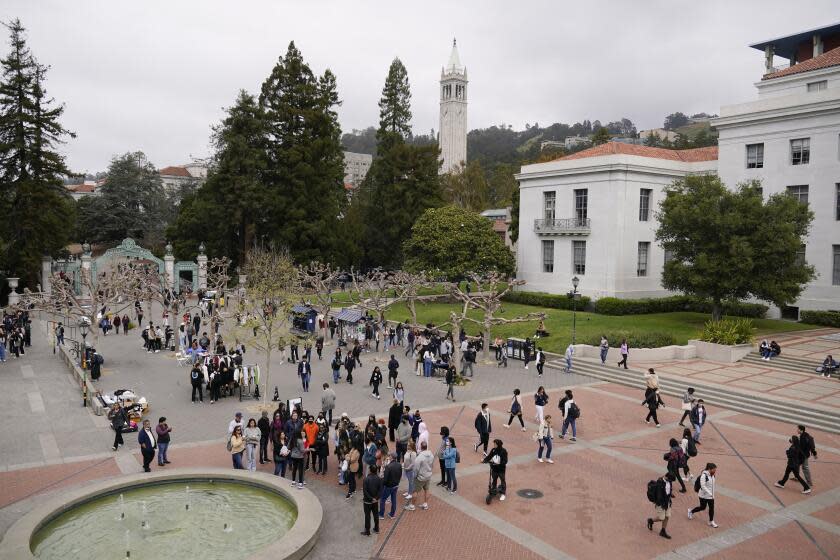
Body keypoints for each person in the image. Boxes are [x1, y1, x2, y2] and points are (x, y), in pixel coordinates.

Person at [688, 463, 718, 528]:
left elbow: (712, 485)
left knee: (711, 508)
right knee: (702, 507)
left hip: (711, 496)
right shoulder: (704, 476)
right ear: (709, 469)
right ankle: (691, 511)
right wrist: (709, 493)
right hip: (703, 496)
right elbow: (703, 486)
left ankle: (711, 521)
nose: (715, 471)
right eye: (714, 469)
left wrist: (711, 494)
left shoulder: (712, 475)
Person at [647, 472, 675, 539]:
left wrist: (670, 494)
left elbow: (669, 489)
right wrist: (659, 503)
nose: (671, 482)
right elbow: (659, 495)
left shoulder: (669, 481)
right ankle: (650, 521)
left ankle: (663, 531)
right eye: (670, 480)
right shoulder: (660, 483)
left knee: (667, 516)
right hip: (661, 503)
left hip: (667, 502)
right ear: (667, 477)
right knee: (661, 518)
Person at [361, 464, 383, 535]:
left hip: (367, 501)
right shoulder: (379, 479)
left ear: (370, 470)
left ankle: (367, 531)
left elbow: (365, 491)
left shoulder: (366, 479)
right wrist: (376, 498)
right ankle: (377, 529)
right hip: (375, 502)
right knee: (376, 515)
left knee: (367, 516)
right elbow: (380, 490)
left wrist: (371, 498)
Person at [380, 451, 402, 518]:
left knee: (383, 499)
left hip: (389, 486)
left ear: (391, 457)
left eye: (389, 456)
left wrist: (382, 484)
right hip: (396, 485)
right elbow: (400, 475)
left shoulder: (388, 467)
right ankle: (392, 514)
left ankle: (381, 514)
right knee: (393, 499)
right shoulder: (399, 465)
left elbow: (385, 479)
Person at [413, 441, 435, 510]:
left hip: (420, 477)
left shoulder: (419, 457)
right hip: (428, 476)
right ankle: (425, 504)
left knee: (415, 491)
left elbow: (416, 469)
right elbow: (432, 465)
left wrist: (415, 476)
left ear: (420, 447)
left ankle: (412, 506)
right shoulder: (431, 455)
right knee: (426, 490)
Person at [402, 440, 418, 510]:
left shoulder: (413, 453)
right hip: (406, 468)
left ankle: (411, 494)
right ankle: (408, 492)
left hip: (410, 470)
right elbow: (405, 459)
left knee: (411, 481)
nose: (407, 446)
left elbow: (413, 463)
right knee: (409, 481)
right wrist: (403, 464)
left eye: (408, 445)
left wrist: (408, 468)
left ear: (412, 446)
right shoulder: (407, 451)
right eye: (407, 445)